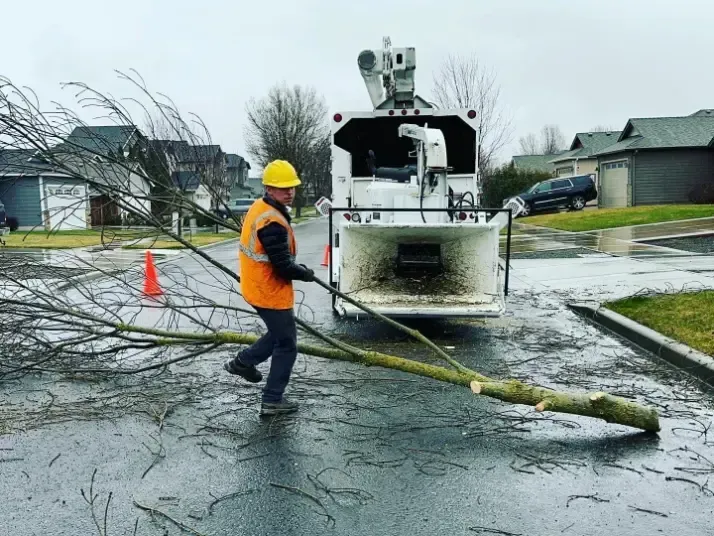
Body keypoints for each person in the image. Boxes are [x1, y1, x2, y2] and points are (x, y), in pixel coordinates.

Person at [224, 159, 315, 416]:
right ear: (268, 188)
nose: (289, 191)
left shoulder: (262, 207)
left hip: (257, 285)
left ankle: (242, 362)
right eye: (282, 187)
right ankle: (272, 400)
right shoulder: (271, 221)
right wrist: (305, 274)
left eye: (292, 187)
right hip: (268, 290)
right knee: (287, 344)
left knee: (278, 335)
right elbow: (283, 267)